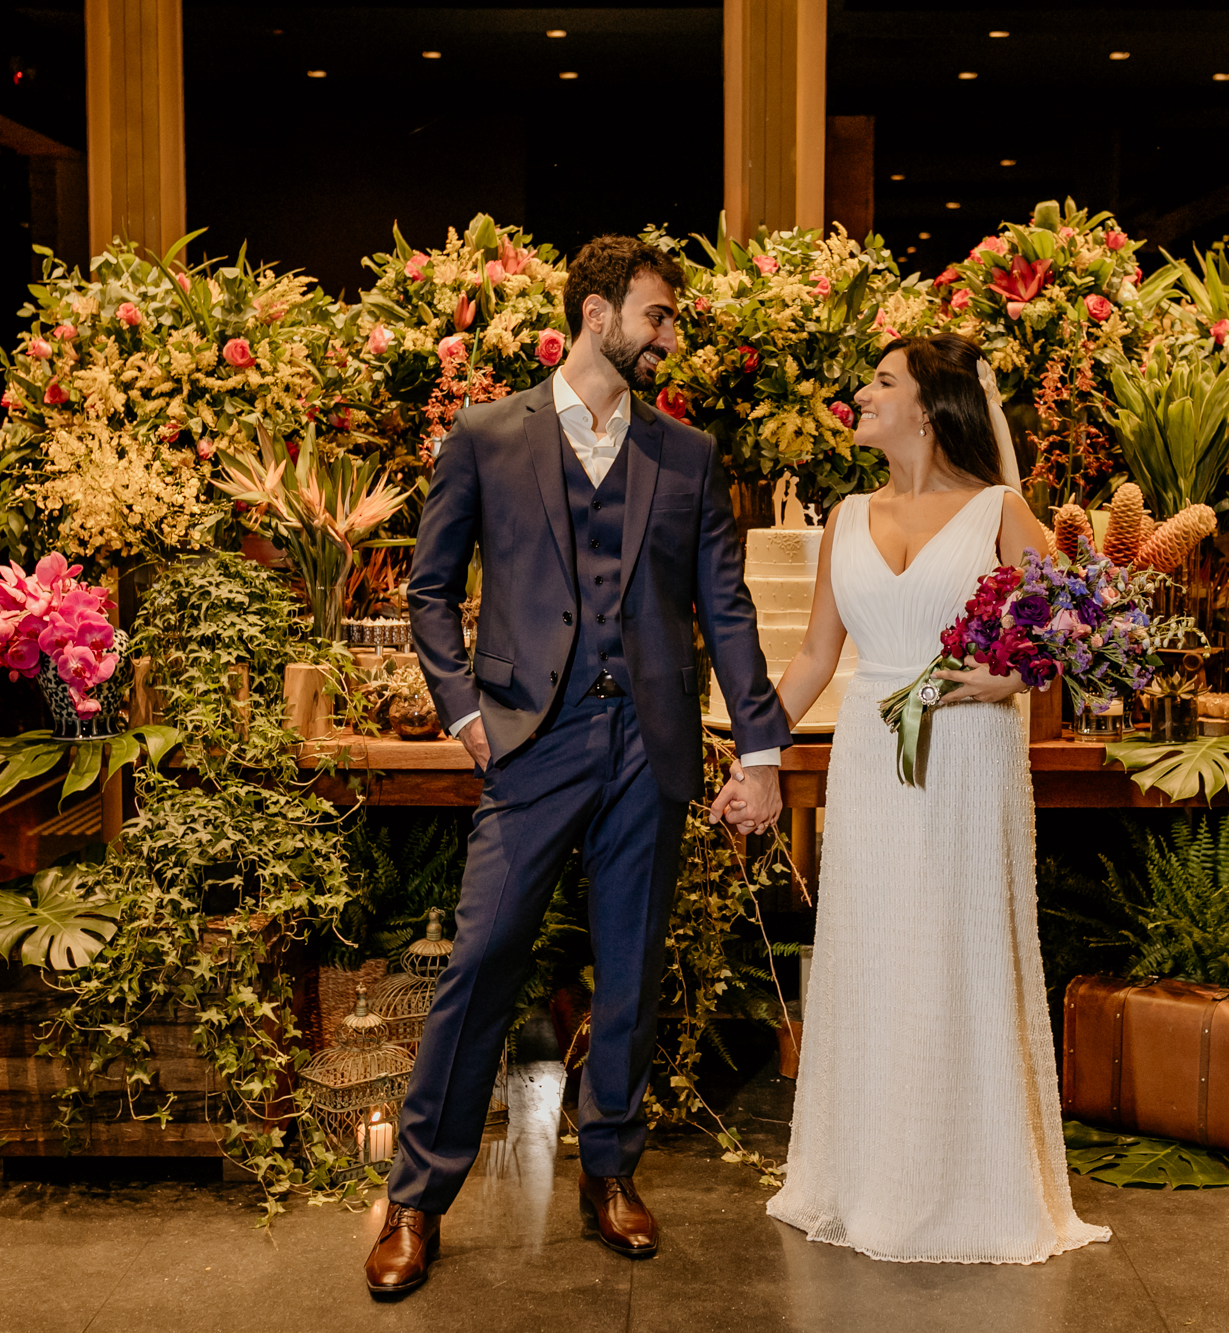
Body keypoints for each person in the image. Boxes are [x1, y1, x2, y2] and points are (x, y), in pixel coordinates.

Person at [370, 236, 794, 1298]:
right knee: (482, 962)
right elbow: (428, 589)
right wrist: (461, 706)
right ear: (596, 315)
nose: (668, 336)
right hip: (529, 742)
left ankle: (609, 1172)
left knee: (631, 970)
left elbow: (725, 612)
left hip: (646, 745)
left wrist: (760, 745)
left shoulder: (686, 456)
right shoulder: (484, 436)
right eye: (656, 315)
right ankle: (416, 1198)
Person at [737, 332, 1111, 1263]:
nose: (861, 394)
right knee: (875, 944)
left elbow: (1087, 623)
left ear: (932, 406)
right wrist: (755, 752)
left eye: (882, 380)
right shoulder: (847, 514)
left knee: (958, 943)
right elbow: (820, 656)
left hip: (968, 756)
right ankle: (867, 1175)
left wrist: (1013, 682)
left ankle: (968, 1183)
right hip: (873, 752)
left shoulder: (998, 509)